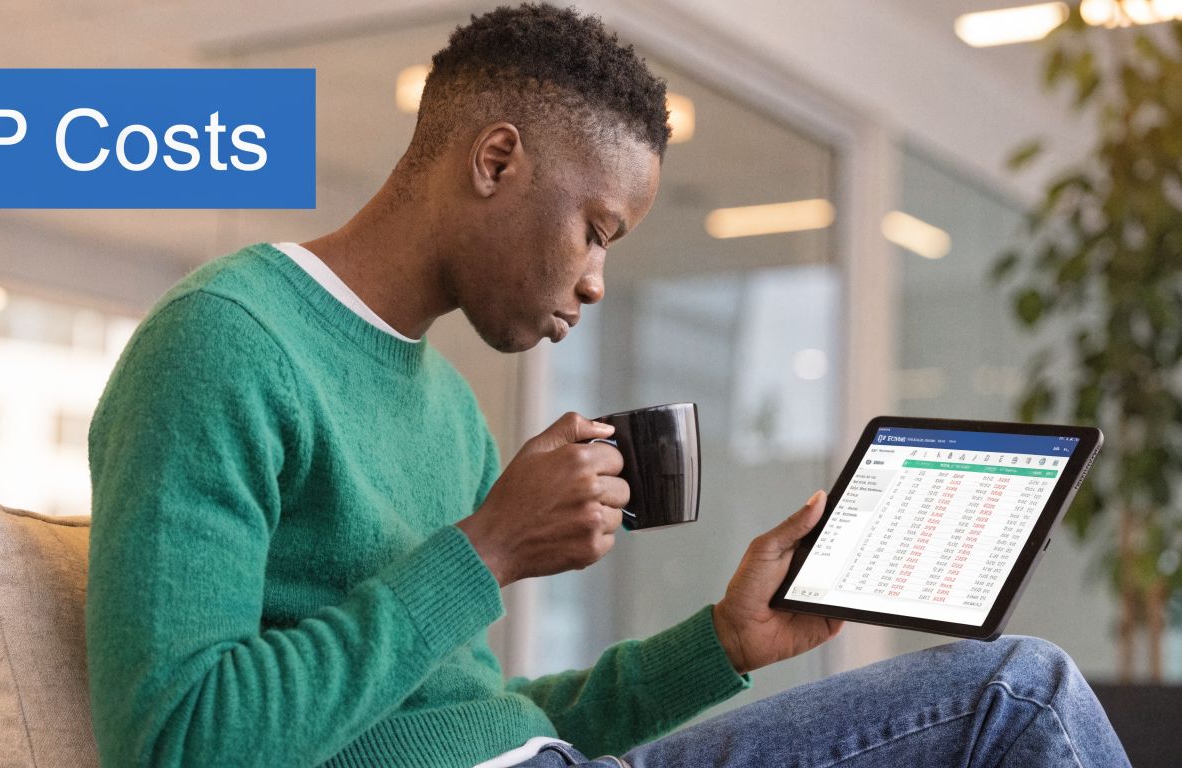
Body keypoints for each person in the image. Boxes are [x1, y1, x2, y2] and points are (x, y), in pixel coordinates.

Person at [84, 4, 1131, 767]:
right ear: (497, 161)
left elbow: (472, 717)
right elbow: (180, 739)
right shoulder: (225, 343)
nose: (594, 280)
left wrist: (721, 642)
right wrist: (484, 551)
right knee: (1015, 696)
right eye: (596, 230)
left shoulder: (446, 408)